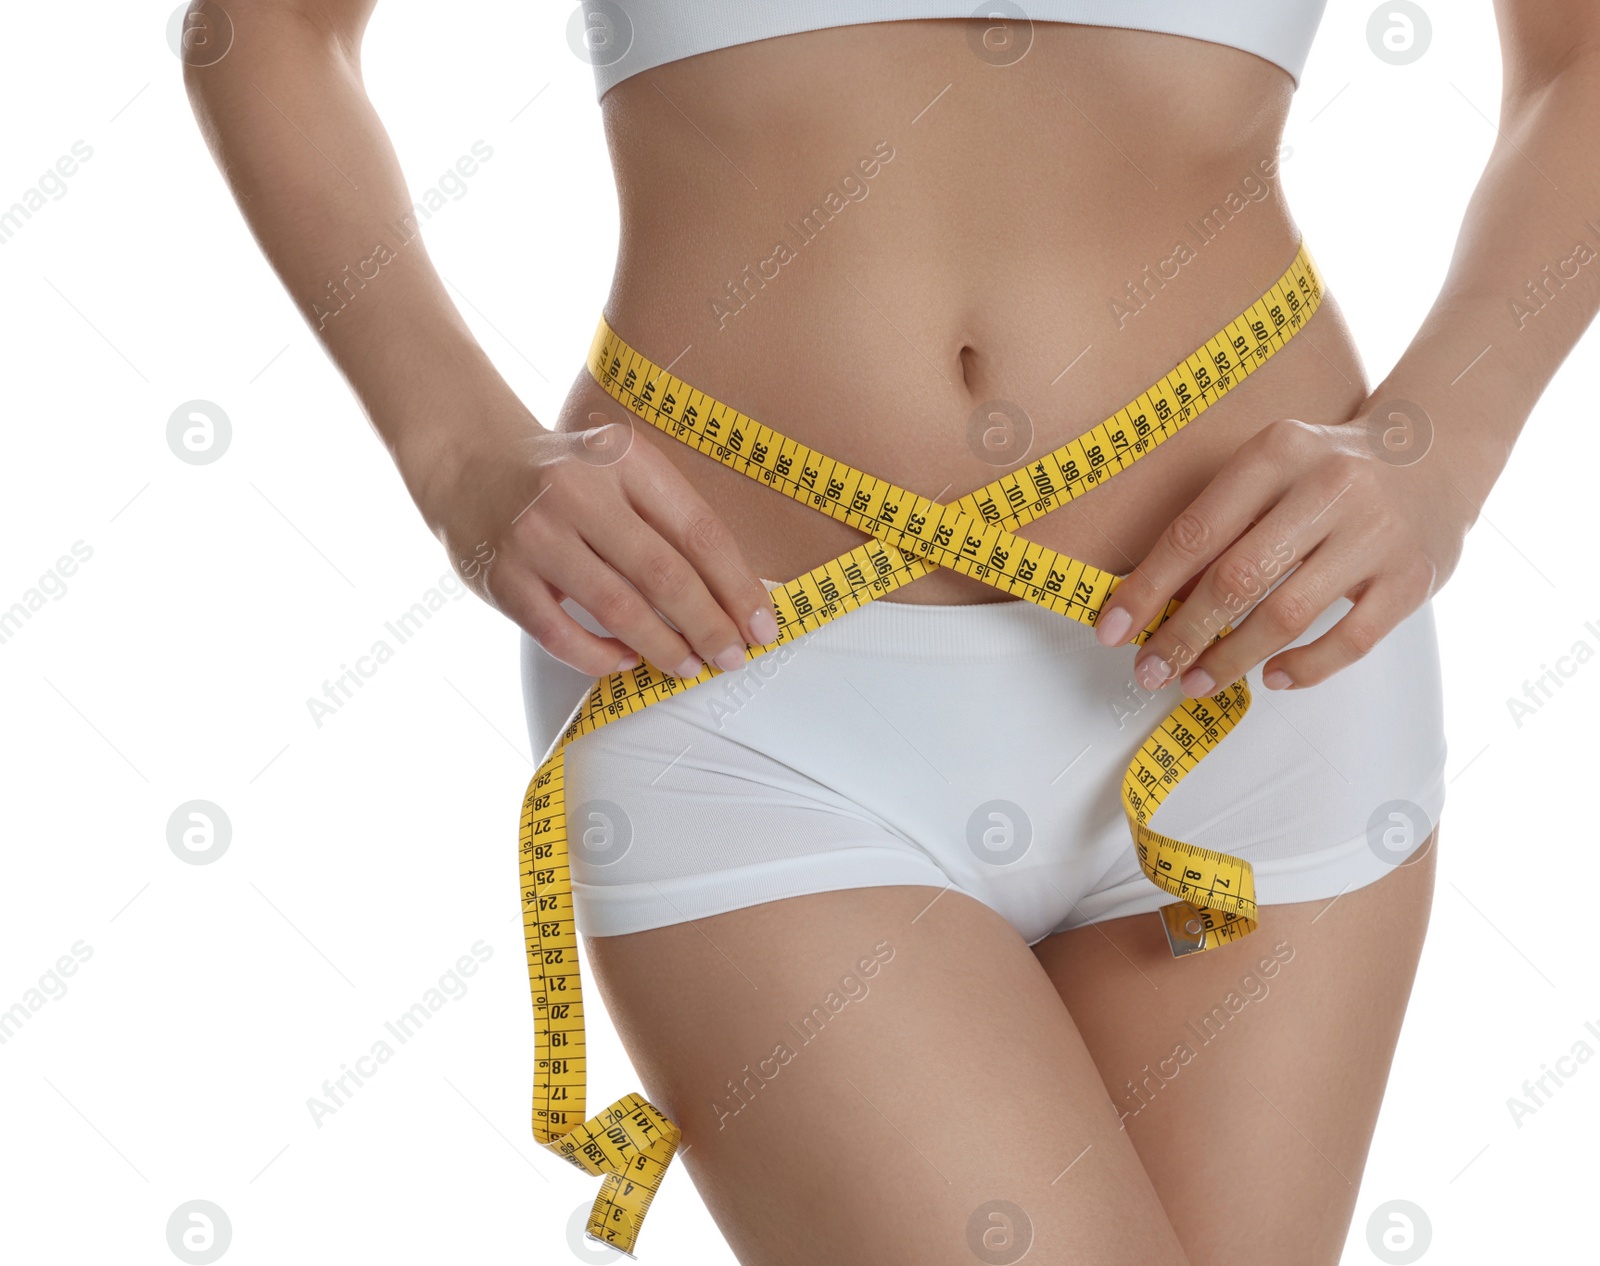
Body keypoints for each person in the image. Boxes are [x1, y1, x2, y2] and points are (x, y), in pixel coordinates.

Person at [184, 2, 1600, 1261]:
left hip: (1260, 670)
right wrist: (455, 456)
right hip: (738, 681)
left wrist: (1443, 446)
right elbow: (266, 28)